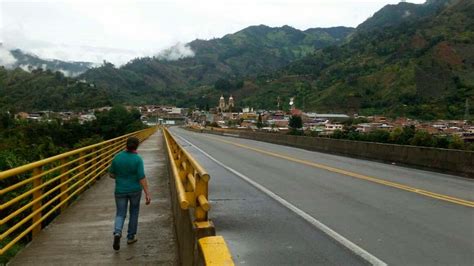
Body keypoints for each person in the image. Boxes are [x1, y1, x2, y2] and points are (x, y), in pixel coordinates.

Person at [108, 137, 151, 251]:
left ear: (126, 145)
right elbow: (141, 177)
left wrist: (121, 177)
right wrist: (147, 193)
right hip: (135, 190)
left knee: (120, 213)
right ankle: (130, 237)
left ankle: (117, 232)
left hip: (120, 190)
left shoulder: (117, 157)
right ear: (136, 146)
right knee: (134, 212)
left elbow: (111, 174)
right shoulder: (137, 159)